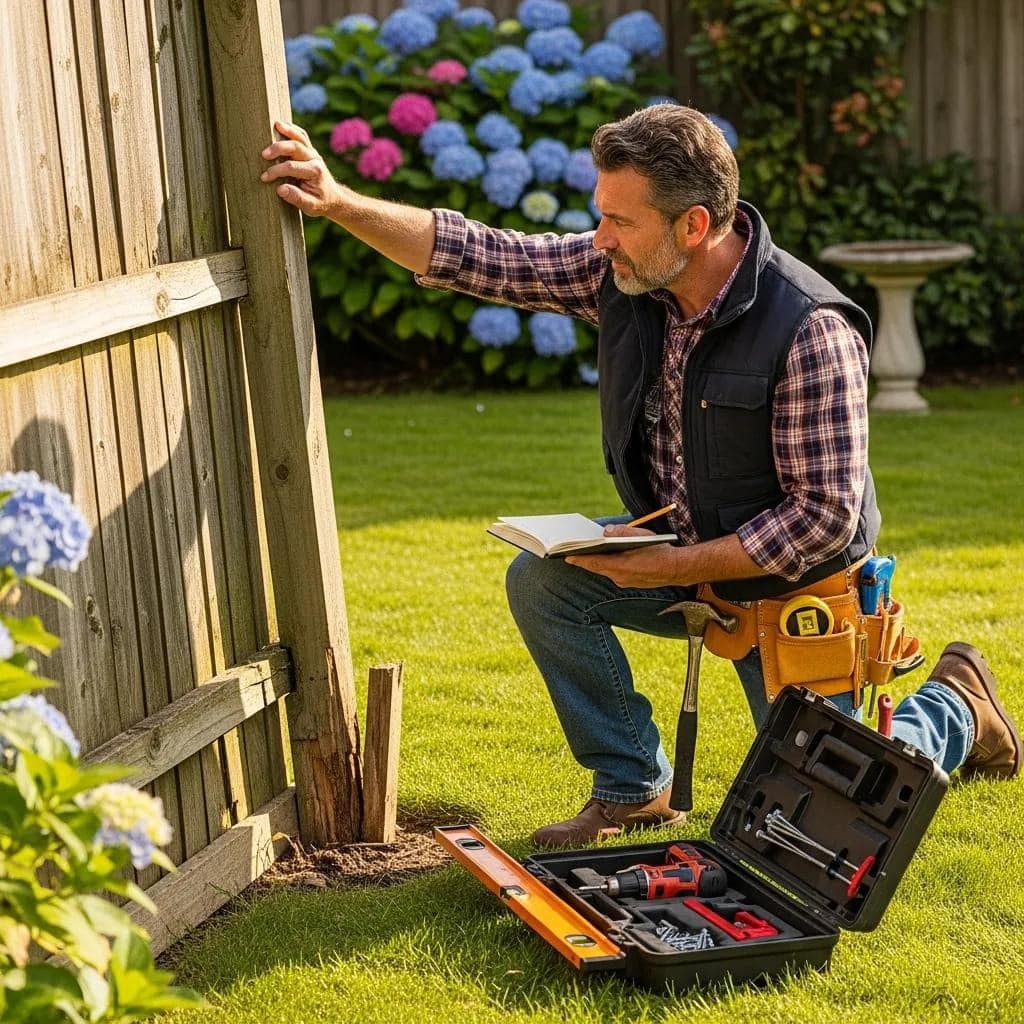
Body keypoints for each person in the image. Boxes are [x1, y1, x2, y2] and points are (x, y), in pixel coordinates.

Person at [260, 106, 1021, 848]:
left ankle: (957, 704)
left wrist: (672, 564)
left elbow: (820, 519)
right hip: (687, 562)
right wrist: (336, 202)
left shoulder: (809, 329)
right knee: (545, 581)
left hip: (795, 600)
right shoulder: (625, 277)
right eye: (601, 216)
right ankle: (633, 788)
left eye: (620, 222)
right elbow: (484, 255)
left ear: (693, 225)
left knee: (835, 812)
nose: (600, 239)